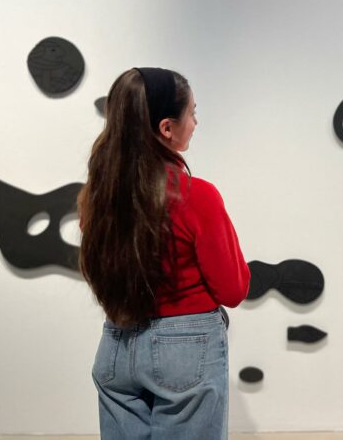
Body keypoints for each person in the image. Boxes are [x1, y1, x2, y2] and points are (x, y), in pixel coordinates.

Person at [77, 67, 250, 439]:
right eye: (192, 113)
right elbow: (233, 290)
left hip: (116, 345)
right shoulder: (196, 196)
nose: (195, 123)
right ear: (167, 128)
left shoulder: (98, 198)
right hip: (185, 352)